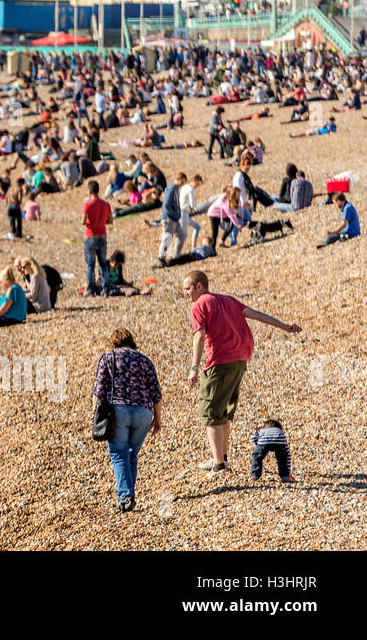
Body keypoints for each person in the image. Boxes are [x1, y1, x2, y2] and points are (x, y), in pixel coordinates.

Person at [182, 270, 302, 472]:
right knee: (225, 412)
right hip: (240, 359)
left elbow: (199, 337)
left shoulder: (198, 305)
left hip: (220, 362)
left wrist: (194, 367)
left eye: (187, 288)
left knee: (211, 413)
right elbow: (256, 315)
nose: (185, 293)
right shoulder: (228, 300)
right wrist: (284, 326)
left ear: (199, 286)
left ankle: (219, 465)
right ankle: (221, 457)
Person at [92, 327, 162, 513]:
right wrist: (157, 419)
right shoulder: (144, 360)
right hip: (143, 413)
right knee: (130, 454)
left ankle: (125, 497)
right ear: (131, 342)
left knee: (118, 454)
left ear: (114, 343)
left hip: (118, 411)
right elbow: (156, 393)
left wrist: (95, 416)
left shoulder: (108, 357)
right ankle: (128, 495)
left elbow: (99, 391)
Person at [82, 180, 114, 296]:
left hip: (91, 236)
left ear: (89, 191)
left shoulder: (88, 205)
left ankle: (91, 290)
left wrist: (92, 222)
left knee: (91, 265)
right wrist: (101, 221)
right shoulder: (106, 204)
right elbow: (110, 220)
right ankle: (106, 290)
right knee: (103, 263)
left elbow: (83, 221)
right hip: (102, 235)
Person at [158, 172, 188, 264]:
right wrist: (173, 215)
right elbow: (166, 205)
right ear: (179, 179)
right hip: (169, 218)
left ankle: (176, 255)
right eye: (183, 181)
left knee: (182, 235)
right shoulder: (171, 188)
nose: (183, 184)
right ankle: (161, 259)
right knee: (167, 238)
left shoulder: (175, 188)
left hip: (174, 219)